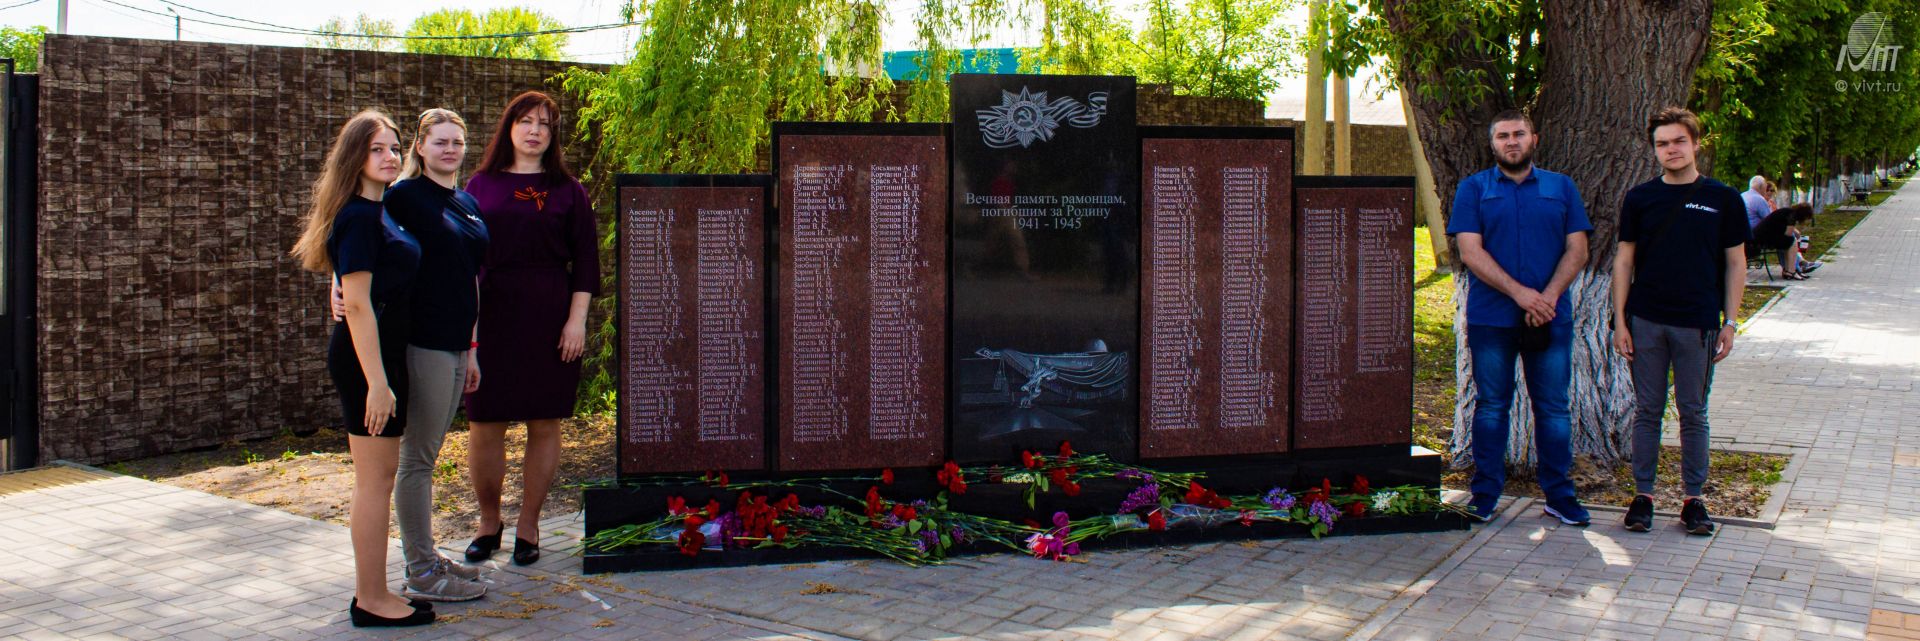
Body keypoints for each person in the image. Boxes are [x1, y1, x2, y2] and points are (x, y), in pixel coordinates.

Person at [290, 110, 433, 627]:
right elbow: (356, 304)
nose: (390, 156)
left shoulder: (380, 209)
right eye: (377, 149)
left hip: (382, 357)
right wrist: (377, 383)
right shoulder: (357, 217)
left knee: (381, 477)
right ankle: (370, 599)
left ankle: (374, 590)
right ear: (355, 156)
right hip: (365, 362)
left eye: (394, 147)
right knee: (374, 481)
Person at [462, 91, 600, 567]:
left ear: (553, 134)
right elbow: (463, 259)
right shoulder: (479, 185)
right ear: (510, 127)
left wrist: (576, 322)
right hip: (490, 315)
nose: (535, 130)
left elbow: (586, 261)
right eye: (525, 120)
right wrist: (468, 335)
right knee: (484, 423)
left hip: (550, 317)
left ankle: (529, 525)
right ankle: (488, 522)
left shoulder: (569, 190)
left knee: (544, 422)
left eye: (544, 123)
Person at [1446, 109, 1594, 526]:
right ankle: (1485, 494)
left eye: (1519, 134)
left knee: (1553, 408)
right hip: (1492, 319)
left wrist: (1546, 298)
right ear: (1492, 144)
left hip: (1549, 317)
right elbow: (1470, 251)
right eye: (1503, 136)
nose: (1511, 141)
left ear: (1534, 139)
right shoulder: (1473, 189)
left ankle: (1560, 496)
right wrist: (1521, 294)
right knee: (1492, 406)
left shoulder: (1561, 187)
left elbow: (1578, 249)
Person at [1611, 106, 1749, 536]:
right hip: (1646, 322)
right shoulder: (1640, 198)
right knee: (1647, 411)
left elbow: (1736, 263)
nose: (1671, 149)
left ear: (1695, 144)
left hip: (1698, 324)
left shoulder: (1723, 198)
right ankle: (1643, 497)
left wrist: (1731, 322)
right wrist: (1620, 321)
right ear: (1654, 150)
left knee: (1693, 412)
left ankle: (1694, 500)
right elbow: (1624, 260)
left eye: (1678, 141)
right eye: (1662, 144)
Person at [383, 109, 493, 600]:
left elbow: (470, 277)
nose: (450, 150)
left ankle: (427, 556)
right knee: (418, 460)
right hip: (422, 341)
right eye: (440, 142)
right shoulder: (403, 196)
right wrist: (338, 286)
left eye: (457, 142)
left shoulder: (466, 202)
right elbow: (359, 237)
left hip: (457, 345)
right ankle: (422, 571)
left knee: (427, 456)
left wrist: (473, 348)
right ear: (420, 147)